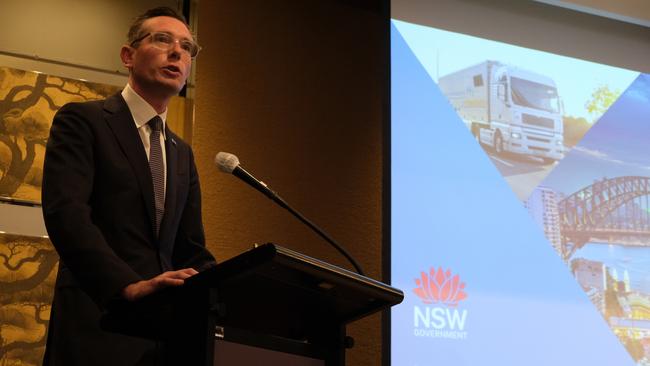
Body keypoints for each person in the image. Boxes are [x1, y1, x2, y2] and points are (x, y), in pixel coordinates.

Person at [41, 7, 216, 365]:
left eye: (187, 47)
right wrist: (127, 285)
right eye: (162, 39)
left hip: (162, 341)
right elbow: (67, 214)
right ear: (128, 55)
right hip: (98, 321)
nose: (177, 52)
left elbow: (192, 249)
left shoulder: (181, 152)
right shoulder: (84, 121)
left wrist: (230, 296)